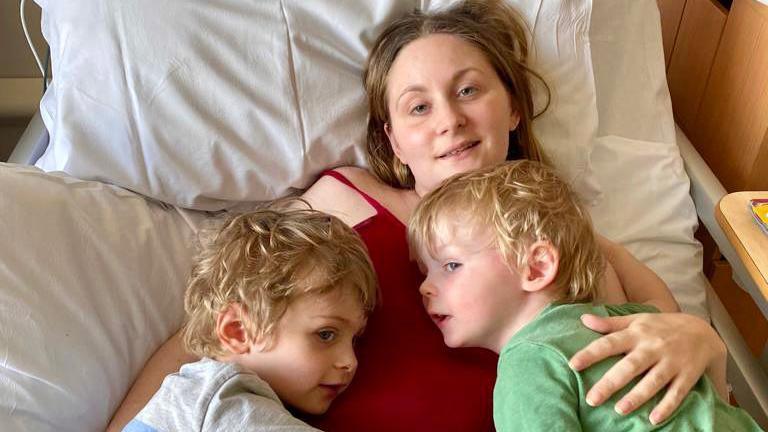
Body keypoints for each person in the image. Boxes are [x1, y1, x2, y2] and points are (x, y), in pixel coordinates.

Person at [108, 1, 727, 431]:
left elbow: (670, 354)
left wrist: (700, 340)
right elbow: (216, 323)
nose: (449, 120)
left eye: (469, 90)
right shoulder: (343, 202)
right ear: (393, 141)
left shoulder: (566, 241)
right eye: (417, 106)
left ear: (512, 109)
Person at [409, 160, 760, 431]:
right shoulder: (622, 321)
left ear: (536, 268)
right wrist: (608, 250)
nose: (425, 286)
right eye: (426, 271)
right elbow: (660, 302)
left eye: (451, 265)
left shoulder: (527, 362)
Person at [122, 202, 377, 431]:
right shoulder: (221, 397)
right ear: (238, 330)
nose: (350, 361)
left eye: (354, 340)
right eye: (326, 334)